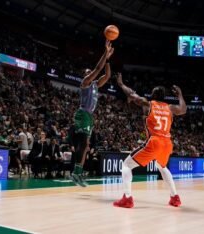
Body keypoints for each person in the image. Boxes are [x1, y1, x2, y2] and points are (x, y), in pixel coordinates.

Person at [113, 73, 187, 208]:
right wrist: (180, 95)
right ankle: (175, 197)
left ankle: (127, 198)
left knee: (126, 165)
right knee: (162, 167)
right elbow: (183, 109)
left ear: (153, 95)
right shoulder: (170, 108)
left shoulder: (148, 104)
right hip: (167, 143)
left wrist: (121, 84)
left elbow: (132, 94)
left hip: (155, 141)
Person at [69, 40, 114, 187]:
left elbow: (107, 76)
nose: (90, 73)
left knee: (86, 145)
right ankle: (75, 173)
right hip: (82, 114)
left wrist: (108, 59)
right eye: (88, 72)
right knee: (82, 143)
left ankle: (78, 173)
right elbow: (97, 68)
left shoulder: (96, 84)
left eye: (90, 72)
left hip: (89, 117)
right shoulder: (85, 82)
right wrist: (104, 54)